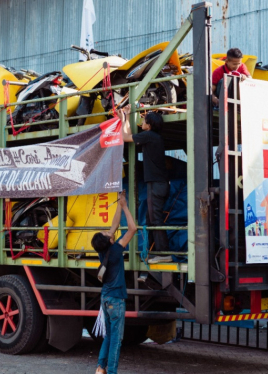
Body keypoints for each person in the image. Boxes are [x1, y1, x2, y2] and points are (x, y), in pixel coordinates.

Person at [119, 105, 172, 264]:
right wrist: (127, 116)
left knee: (155, 219)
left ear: (149, 125)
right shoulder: (154, 137)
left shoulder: (149, 136)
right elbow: (129, 135)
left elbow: (124, 136)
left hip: (156, 184)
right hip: (158, 184)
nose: (142, 121)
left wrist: (124, 118)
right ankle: (155, 252)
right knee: (151, 219)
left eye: (144, 120)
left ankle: (164, 253)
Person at [92, 190, 137, 374]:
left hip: (105, 298)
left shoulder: (104, 250)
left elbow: (114, 224)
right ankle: (111, 372)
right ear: (108, 239)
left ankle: (100, 368)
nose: (108, 230)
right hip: (116, 300)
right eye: (106, 232)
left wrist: (120, 202)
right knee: (116, 341)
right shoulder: (117, 250)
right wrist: (126, 207)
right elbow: (133, 228)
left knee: (108, 337)